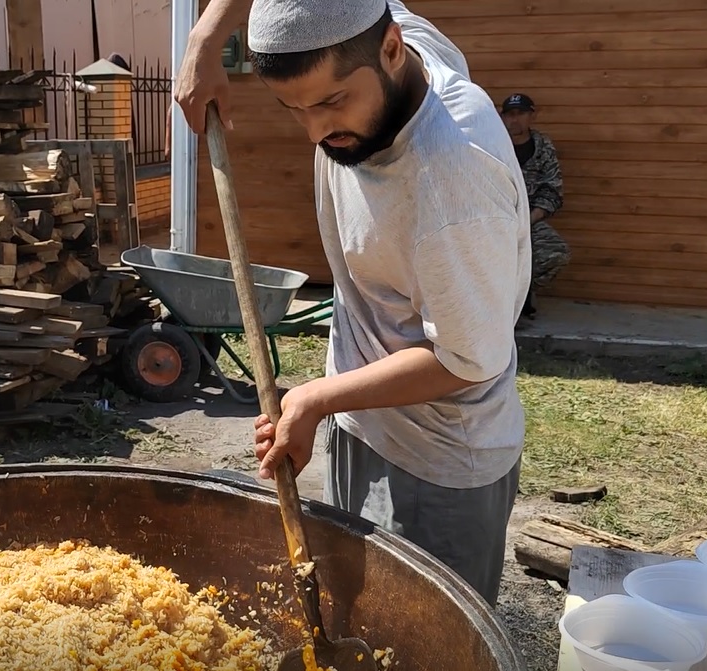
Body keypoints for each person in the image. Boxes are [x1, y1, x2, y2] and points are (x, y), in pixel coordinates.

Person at [173, 0, 530, 606]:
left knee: (419, 641)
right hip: (365, 420)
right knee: (357, 620)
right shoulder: (386, 39)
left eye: (333, 102)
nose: (316, 131)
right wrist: (207, 34)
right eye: (295, 110)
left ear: (391, 48)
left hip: (436, 459)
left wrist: (314, 397)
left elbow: (467, 360)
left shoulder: (452, 177)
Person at [500, 93, 569, 324]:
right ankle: (498, 309)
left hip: (529, 220)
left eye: (520, 114)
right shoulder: (493, 144)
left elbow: (552, 190)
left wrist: (528, 221)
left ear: (532, 115)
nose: (515, 120)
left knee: (556, 253)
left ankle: (520, 296)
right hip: (493, 220)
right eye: (510, 115)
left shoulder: (542, 146)